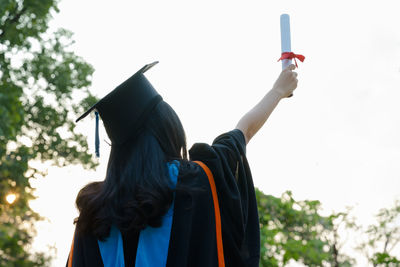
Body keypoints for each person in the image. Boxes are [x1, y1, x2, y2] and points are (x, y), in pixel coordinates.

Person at [66, 62, 298, 267]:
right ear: (169, 129)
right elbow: (243, 132)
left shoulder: (93, 212)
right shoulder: (197, 180)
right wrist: (278, 90)